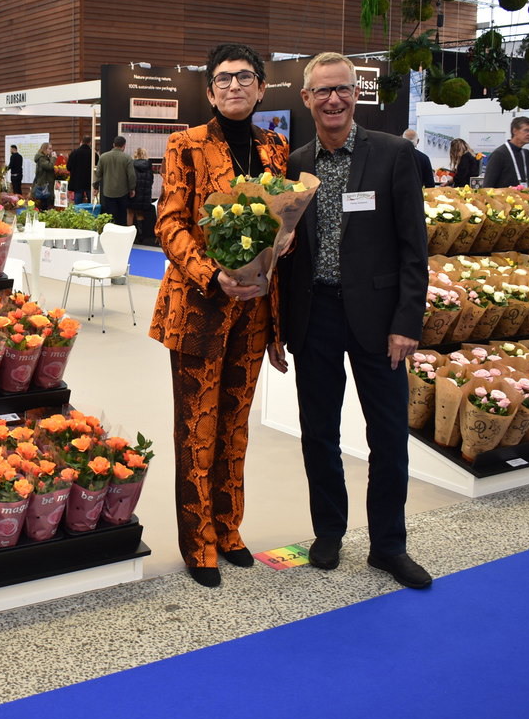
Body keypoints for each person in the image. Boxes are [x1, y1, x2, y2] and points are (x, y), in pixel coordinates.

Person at [269, 52, 432, 590]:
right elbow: (282, 256)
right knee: (319, 432)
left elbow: (414, 248)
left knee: (388, 435)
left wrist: (407, 321)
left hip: (381, 321)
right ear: (306, 98)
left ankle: (389, 545)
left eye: (342, 89)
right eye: (322, 91)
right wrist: (278, 327)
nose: (333, 99)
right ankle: (329, 533)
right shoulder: (295, 164)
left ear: (356, 94)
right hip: (315, 314)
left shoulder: (393, 155)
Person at [149, 43, 290, 588]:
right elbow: (170, 223)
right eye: (224, 79)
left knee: (235, 425)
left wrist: (284, 244)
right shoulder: (185, 144)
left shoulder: (275, 147)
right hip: (200, 307)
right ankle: (199, 542)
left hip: (255, 309)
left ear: (261, 87)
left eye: (245, 77)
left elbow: (282, 221)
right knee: (197, 428)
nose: (235, 86)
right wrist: (212, 273)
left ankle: (229, 530)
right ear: (210, 92)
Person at [481, 116, 529, 188]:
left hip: (522, 195)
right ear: (515, 131)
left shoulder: (526, 154)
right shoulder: (499, 154)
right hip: (504, 196)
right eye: (526, 130)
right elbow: (488, 185)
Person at [94, 136, 134, 226]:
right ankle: (121, 232)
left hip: (108, 192)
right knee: (122, 216)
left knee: (110, 217)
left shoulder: (103, 157)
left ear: (113, 145)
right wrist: (132, 188)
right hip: (123, 192)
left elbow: (98, 174)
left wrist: (96, 187)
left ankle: (111, 232)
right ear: (124, 146)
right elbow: (131, 176)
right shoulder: (127, 158)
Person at [127, 148, 156, 243]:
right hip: (144, 195)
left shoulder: (131, 166)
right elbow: (151, 181)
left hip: (133, 194)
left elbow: (130, 179)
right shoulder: (148, 167)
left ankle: (130, 236)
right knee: (140, 214)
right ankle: (141, 235)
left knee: (130, 213)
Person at [68, 136, 93, 205]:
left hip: (77, 182)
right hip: (89, 182)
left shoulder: (74, 153)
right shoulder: (93, 153)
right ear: (90, 143)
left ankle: (78, 211)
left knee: (78, 204)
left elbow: (68, 167)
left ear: (81, 142)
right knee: (92, 203)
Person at [31, 142, 56, 210]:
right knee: (44, 204)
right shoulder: (41, 158)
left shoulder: (45, 157)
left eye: (51, 149)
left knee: (46, 204)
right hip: (44, 185)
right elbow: (49, 166)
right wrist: (53, 158)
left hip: (46, 184)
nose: (51, 150)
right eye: (49, 149)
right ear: (45, 149)